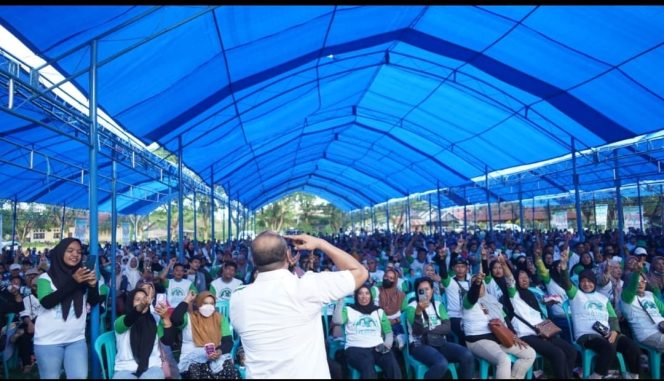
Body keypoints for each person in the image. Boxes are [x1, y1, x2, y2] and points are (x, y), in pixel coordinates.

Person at [229, 231, 367, 379]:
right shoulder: (307, 287)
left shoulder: (238, 299)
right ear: (288, 256)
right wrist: (320, 243)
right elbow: (360, 272)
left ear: (253, 261)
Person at [559, 251, 641, 379]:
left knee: (632, 346)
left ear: (594, 283)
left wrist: (615, 331)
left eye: (590, 281)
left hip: (607, 333)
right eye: (583, 281)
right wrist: (564, 266)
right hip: (587, 335)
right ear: (579, 283)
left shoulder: (602, 298)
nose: (586, 284)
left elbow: (613, 317)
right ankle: (596, 376)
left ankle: (633, 375)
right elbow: (566, 282)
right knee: (608, 348)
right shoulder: (575, 295)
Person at [34, 237, 101, 379]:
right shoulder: (45, 278)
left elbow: (93, 301)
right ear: (60, 253)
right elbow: (47, 302)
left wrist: (93, 286)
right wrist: (73, 281)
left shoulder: (82, 276)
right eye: (70, 251)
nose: (75, 254)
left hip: (76, 339)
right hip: (48, 342)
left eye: (78, 252)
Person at [506, 265, 577, 379]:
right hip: (527, 335)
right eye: (521, 277)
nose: (524, 279)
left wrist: (547, 303)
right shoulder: (514, 296)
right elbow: (509, 279)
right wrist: (504, 264)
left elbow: (537, 313)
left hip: (542, 331)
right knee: (558, 353)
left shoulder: (531, 294)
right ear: (516, 280)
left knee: (571, 351)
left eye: (526, 277)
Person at [462, 271, 536, 379]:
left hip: (499, 337)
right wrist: (476, 283)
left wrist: (513, 337)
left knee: (530, 353)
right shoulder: (467, 300)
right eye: (474, 284)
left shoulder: (492, 299)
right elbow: (473, 294)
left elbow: (504, 320)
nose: (479, 286)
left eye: (481, 283)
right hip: (478, 340)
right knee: (504, 359)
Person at [406, 277, 475, 379]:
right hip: (419, 345)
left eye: (427, 289)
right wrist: (418, 312)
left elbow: (447, 328)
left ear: (432, 290)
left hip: (439, 342)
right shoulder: (411, 307)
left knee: (467, 355)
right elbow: (418, 331)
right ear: (417, 292)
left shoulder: (438, 305)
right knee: (441, 364)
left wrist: (428, 331)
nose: (425, 292)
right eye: (421, 290)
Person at [332, 284, 401, 379]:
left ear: (371, 296)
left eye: (367, 293)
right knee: (368, 367)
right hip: (356, 347)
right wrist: (340, 302)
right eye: (360, 293)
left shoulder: (378, 311)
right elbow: (337, 321)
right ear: (356, 296)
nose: (364, 297)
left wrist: (387, 344)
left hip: (377, 346)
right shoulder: (348, 310)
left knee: (392, 364)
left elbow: (388, 331)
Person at [171, 290, 237, 379]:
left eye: (211, 303)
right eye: (205, 303)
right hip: (192, 358)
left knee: (229, 369)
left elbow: (228, 341)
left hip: (215, 356)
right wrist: (187, 299)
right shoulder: (189, 318)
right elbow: (175, 319)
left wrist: (219, 352)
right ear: (198, 304)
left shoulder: (220, 318)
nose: (208, 306)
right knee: (197, 372)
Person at [113, 288, 175, 379]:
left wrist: (165, 318)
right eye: (138, 300)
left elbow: (168, 341)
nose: (143, 302)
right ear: (130, 303)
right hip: (125, 368)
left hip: (152, 367)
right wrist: (141, 306)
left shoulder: (155, 321)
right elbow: (130, 318)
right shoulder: (120, 321)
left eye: (145, 299)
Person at [621, 260, 664, 350]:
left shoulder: (650, 295)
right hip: (648, 334)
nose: (640, 284)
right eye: (637, 281)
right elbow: (632, 287)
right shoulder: (626, 297)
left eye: (643, 281)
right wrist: (637, 273)